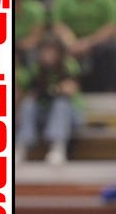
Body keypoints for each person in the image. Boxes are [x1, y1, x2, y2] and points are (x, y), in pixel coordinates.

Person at [51, 0, 116, 91]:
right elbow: (58, 24)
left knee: (111, 50)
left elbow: (112, 26)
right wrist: (70, 41)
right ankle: (60, 87)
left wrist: (89, 42)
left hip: (98, 40)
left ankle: (107, 90)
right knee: (53, 49)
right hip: (73, 40)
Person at [15, 35, 83, 166]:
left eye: (51, 51)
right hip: (44, 113)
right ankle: (21, 147)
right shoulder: (35, 67)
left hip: (70, 114)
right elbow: (27, 90)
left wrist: (51, 91)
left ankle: (57, 147)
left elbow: (69, 89)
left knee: (61, 103)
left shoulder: (69, 65)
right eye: (45, 51)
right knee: (28, 105)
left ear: (59, 52)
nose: (48, 55)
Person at [14, 0, 48, 64]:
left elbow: (36, 37)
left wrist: (19, 45)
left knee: (32, 53)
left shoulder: (35, 9)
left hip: (30, 45)